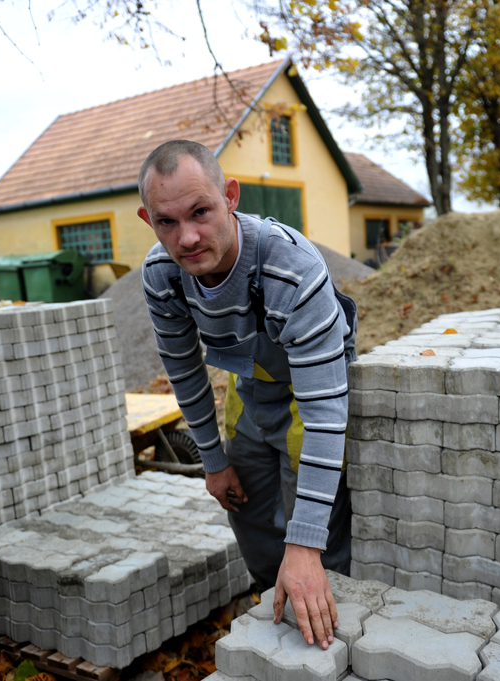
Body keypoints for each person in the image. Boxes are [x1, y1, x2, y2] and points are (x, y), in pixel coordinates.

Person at [137, 140, 356, 651]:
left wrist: (304, 547)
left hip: (312, 388)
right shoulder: (162, 275)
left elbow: (326, 411)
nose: (187, 237)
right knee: (247, 502)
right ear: (149, 220)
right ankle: (271, 601)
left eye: (201, 212)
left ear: (230, 196)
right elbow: (184, 369)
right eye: (167, 222)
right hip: (250, 383)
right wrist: (213, 462)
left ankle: (329, 612)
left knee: (314, 516)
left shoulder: (290, 267)